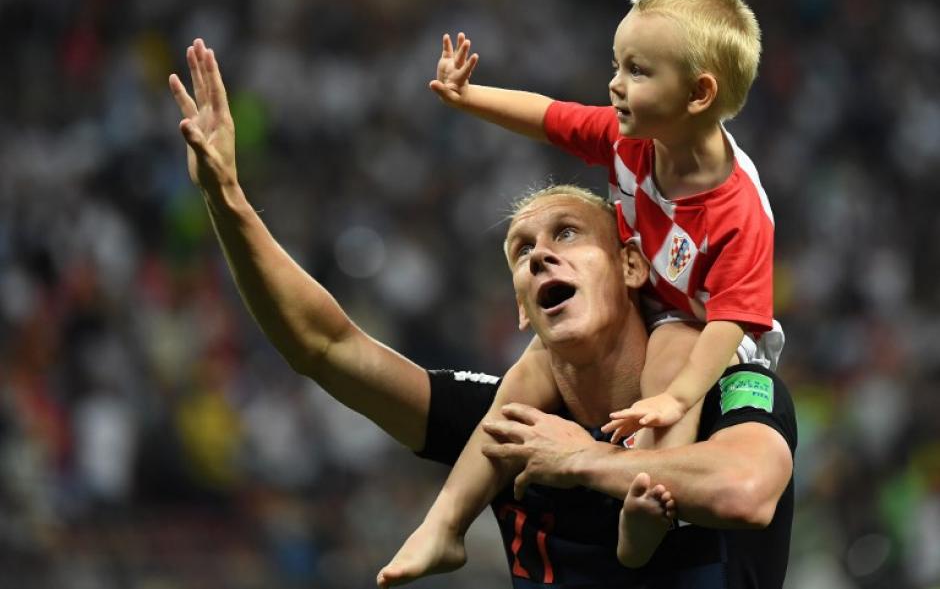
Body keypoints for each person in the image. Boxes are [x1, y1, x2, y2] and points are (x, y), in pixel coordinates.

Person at [168, 38, 796, 588]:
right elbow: (325, 346)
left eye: (569, 234)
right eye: (522, 252)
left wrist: (582, 461)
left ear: (633, 266)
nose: (542, 256)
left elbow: (745, 490)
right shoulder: (507, 426)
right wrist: (225, 198)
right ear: (522, 309)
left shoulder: (723, 388)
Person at [384, 0, 788, 574]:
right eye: (617, 65)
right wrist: (468, 97)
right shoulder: (630, 142)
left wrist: (676, 397)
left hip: (704, 330)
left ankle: (645, 512)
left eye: (638, 71)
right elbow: (549, 116)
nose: (615, 84)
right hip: (646, 293)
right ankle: (444, 523)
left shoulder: (739, 213)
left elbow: (731, 318)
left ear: (699, 94)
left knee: (671, 357)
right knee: (528, 371)